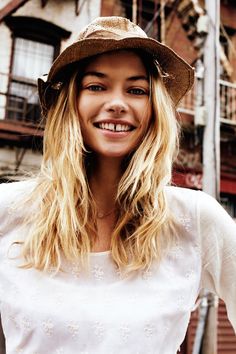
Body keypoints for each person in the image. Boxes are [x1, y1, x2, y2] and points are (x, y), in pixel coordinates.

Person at [0, 16, 235, 354]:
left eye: (136, 90)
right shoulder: (8, 209)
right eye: (97, 86)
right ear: (71, 102)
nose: (117, 103)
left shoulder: (195, 219)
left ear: (154, 109)